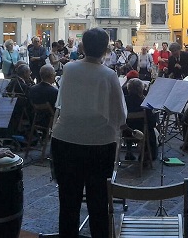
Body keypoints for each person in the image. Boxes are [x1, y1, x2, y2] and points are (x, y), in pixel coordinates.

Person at [51, 27, 127, 238]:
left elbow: (62, 103)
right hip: (99, 144)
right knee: (98, 202)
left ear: (82, 47)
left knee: (68, 201)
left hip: (65, 139)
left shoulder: (68, 69)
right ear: (105, 49)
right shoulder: (109, 75)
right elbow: (120, 115)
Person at [124, 78, 158, 161]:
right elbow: (152, 123)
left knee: (129, 124)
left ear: (128, 89)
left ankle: (129, 151)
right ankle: (145, 155)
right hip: (142, 132)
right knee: (150, 130)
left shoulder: (123, 101)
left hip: (125, 132)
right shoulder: (144, 103)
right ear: (141, 90)